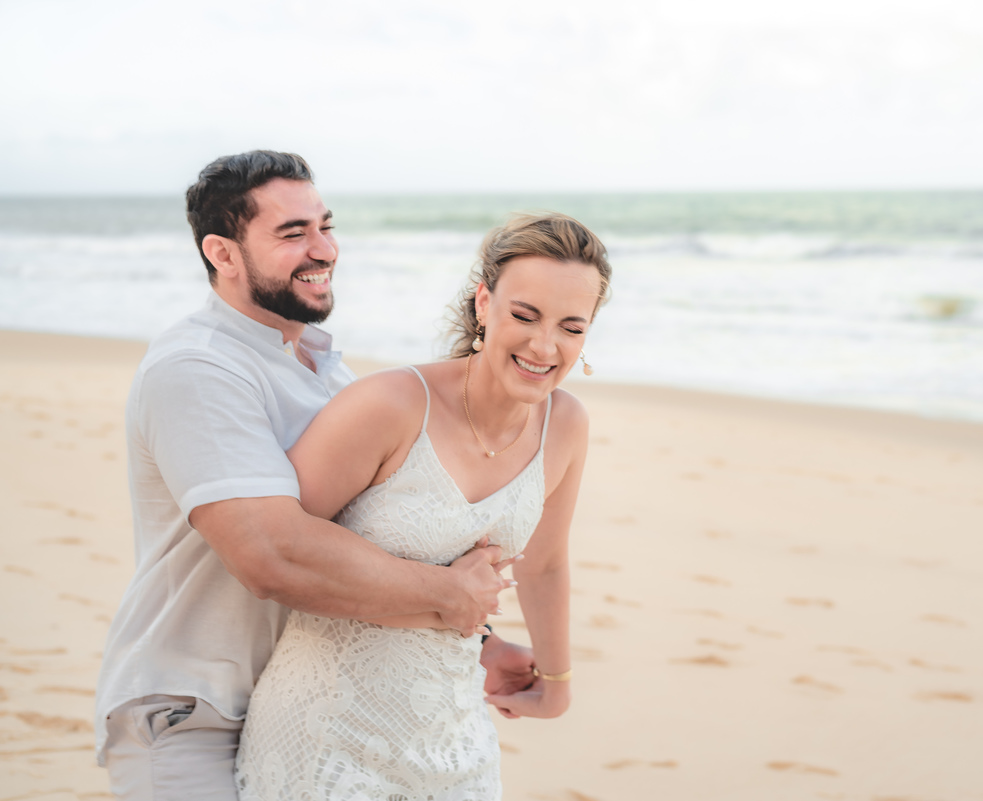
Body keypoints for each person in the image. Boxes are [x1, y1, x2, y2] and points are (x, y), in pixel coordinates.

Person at [94, 150, 535, 801]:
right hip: (194, 711)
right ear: (222, 253)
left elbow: (372, 538)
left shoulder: (330, 373)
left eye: (325, 226)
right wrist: (449, 596)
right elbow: (271, 554)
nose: (324, 249)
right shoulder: (197, 368)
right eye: (293, 233)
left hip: (305, 707)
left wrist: (483, 638)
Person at [233, 212, 610, 800]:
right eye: (524, 315)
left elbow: (545, 562)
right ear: (484, 303)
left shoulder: (565, 424)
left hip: (456, 741)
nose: (544, 346)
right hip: (326, 734)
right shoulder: (390, 404)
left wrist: (556, 681)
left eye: (571, 327)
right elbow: (278, 554)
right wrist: (448, 605)